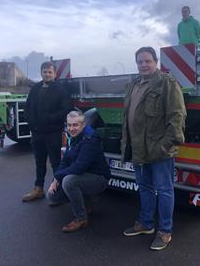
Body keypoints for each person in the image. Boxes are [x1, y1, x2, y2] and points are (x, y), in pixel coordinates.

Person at [121, 46, 187, 250]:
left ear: (156, 62)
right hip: (139, 148)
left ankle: (165, 231)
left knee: (164, 191)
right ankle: (146, 224)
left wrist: (165, 145)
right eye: (140, 61)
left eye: (147, 61)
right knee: (145, 188)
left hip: (159, 149)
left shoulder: (167, 83)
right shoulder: (133, 85)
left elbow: (177, 117)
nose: (143, 64)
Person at [47, 110, 111, 232]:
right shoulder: (73, 137)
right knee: (52, 196)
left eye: (75, 125)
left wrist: (59, 177)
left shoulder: (90, 139)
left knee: (68, 181)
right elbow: (65, 161)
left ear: (83, 125)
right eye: (69, 125)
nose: (71, 128)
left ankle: (81, 218)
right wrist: (55, 179)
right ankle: (87, 203)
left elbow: (79, 167)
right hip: (82, 176)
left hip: (98, 178)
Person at [22, 61, 71, 202]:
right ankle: (38, 189)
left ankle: (59, 193)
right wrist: (31, 122)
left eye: (50, 72)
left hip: (53, 133)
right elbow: (28, 107)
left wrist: (49, 119)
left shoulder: (61, 89)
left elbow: (66, 109)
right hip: (37, 132)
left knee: (56, 163)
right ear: (41, 73)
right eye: (45, 72)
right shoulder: (35, 88)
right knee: (39, 162)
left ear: (55, 74)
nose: (47, 74)